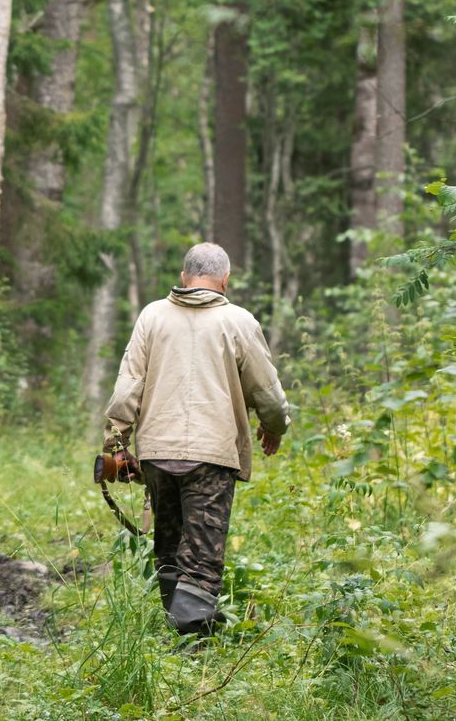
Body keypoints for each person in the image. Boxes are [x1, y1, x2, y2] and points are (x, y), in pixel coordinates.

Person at [102, 242, 289, 637]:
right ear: (226, 280)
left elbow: (127, 386)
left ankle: (179, 631)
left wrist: (117, 441)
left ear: (185, 277)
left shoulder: (152, 316)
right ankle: (192, 646)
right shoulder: (239, 321)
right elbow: (268, 392)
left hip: (156, 452)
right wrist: (275, 426)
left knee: (169, 545)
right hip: (212, 455)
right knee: (203, 552)